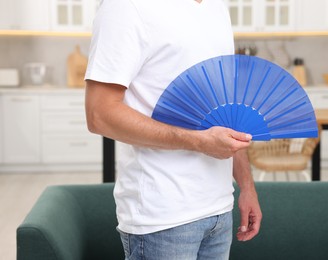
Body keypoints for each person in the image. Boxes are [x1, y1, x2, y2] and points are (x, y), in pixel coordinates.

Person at [84, 0, 262, 259]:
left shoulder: (217, 7)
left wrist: (246, 185)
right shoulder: (125, 6)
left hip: (220, 209)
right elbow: (99, 114)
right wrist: (199, 141)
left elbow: (224, 108)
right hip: (162, 217)